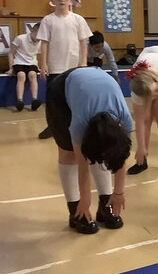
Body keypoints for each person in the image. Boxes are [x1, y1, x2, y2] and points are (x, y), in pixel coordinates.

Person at [46, 67, 133, 234]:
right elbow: (82, 162)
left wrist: (119, 192)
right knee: (69, 154)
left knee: (107, 150)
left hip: (91, 83)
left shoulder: (125, 119)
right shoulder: (79, 124)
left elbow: (120, 155)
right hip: (62, 91)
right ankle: (75, 211)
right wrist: (85, 198)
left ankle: (105, 205)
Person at [37, 0, 93, 139]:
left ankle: (76, 126)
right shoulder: (48, 20)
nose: (61, 0)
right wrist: (43, 64)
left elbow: (84, 42)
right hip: (55, 67)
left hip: (74, 67)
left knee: (74, 98)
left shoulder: (78, 20)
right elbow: (44, 43)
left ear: (70, 0)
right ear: (52, 1)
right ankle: (52, 127)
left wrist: (83, 63)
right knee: (53, 99)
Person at [126, 46, 158, 175]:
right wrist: (140, 147)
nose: (151, 99)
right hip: (147, 59)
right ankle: (142, 162)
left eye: (152, 96)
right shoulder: (138, 86)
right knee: (146, 119)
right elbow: (140, 121)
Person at [6, 22, 41, 111]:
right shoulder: (20, 38)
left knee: (33, 75)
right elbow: (10, 52)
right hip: (19, 62)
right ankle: (20, 100)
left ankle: (34, 100)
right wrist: (11, 68)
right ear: (33, 31)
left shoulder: (41, 42)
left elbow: (41, 55)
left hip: (32, 63)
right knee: (21, 75)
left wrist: (42, 66)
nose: (39, 38)